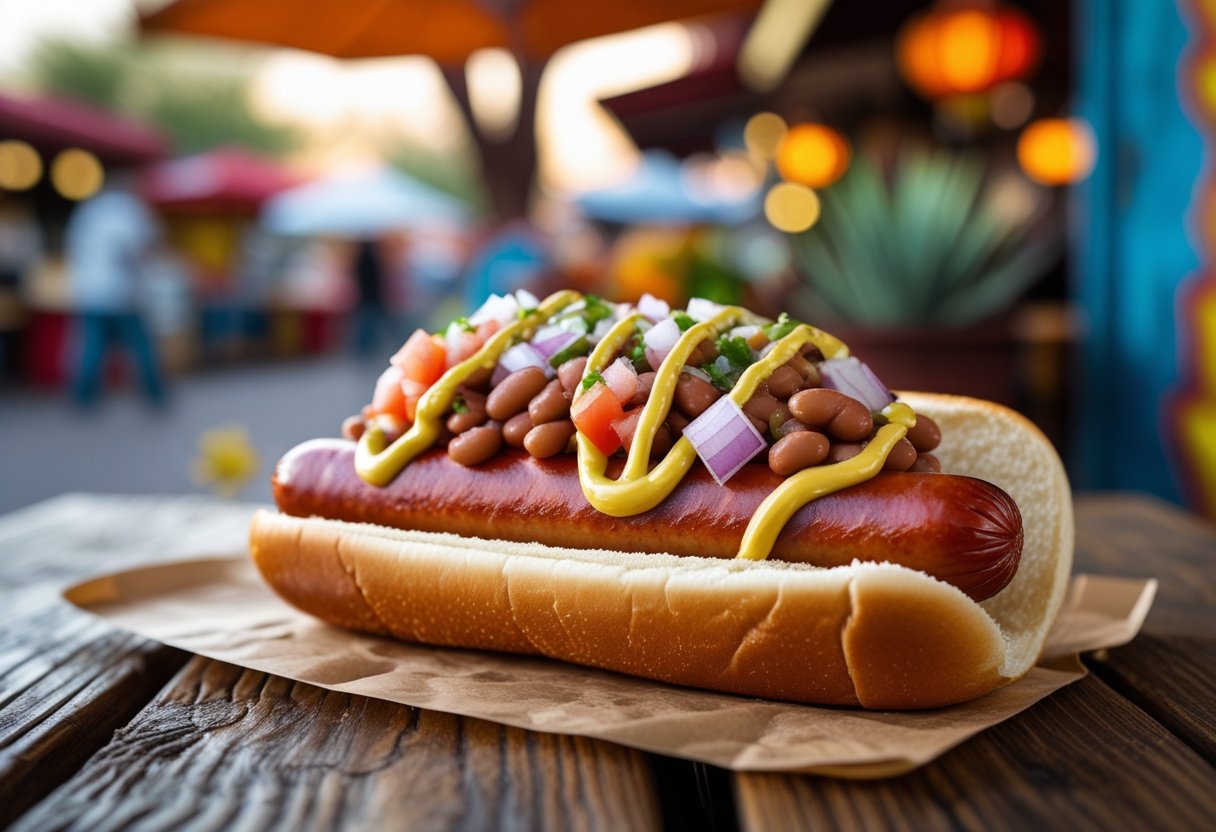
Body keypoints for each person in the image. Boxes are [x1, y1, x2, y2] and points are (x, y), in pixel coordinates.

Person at [66, 171, 167, 407]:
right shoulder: (128, 210)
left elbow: (73, 247)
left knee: (92, 344)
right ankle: (154, 393)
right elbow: (137, 249)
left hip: (89, 289)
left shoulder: (88, 211)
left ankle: (84, 395)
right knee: (140, 344)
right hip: (122, 292)